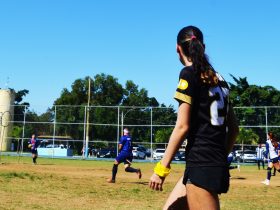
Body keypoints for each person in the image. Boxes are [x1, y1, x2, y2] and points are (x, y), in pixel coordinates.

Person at [149, 25, 239, 210]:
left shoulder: (189, 74)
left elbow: (182, 126)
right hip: (205, 164)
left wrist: (161, 169)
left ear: (177, 48)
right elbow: (234, 129)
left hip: (202, 164)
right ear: (202, 47)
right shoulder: (219, 79)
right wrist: (220, 157)